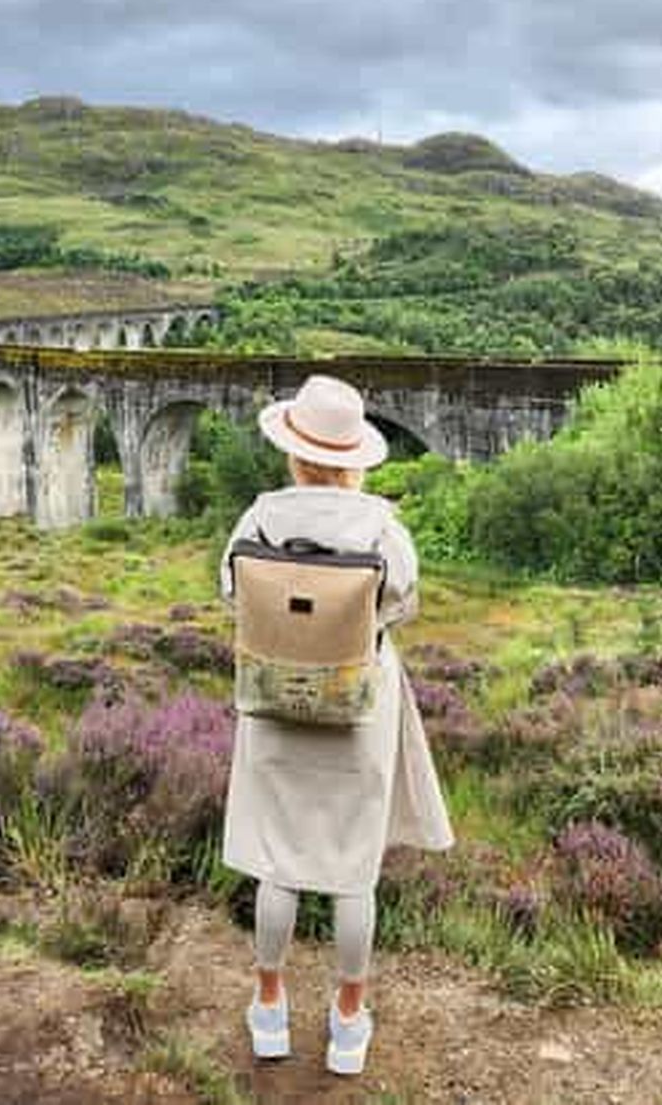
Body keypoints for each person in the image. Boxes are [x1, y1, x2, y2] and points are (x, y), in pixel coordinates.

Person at [219, 373, 455, 1076]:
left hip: (273, 702)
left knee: (278, 862)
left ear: (293, 452)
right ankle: (348, 1021)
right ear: (355, 457)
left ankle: (269, 1007)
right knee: (354, 872)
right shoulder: (383, 528)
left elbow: (232, 591)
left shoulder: (256, 518)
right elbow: (403, 603)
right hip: (357, 707)